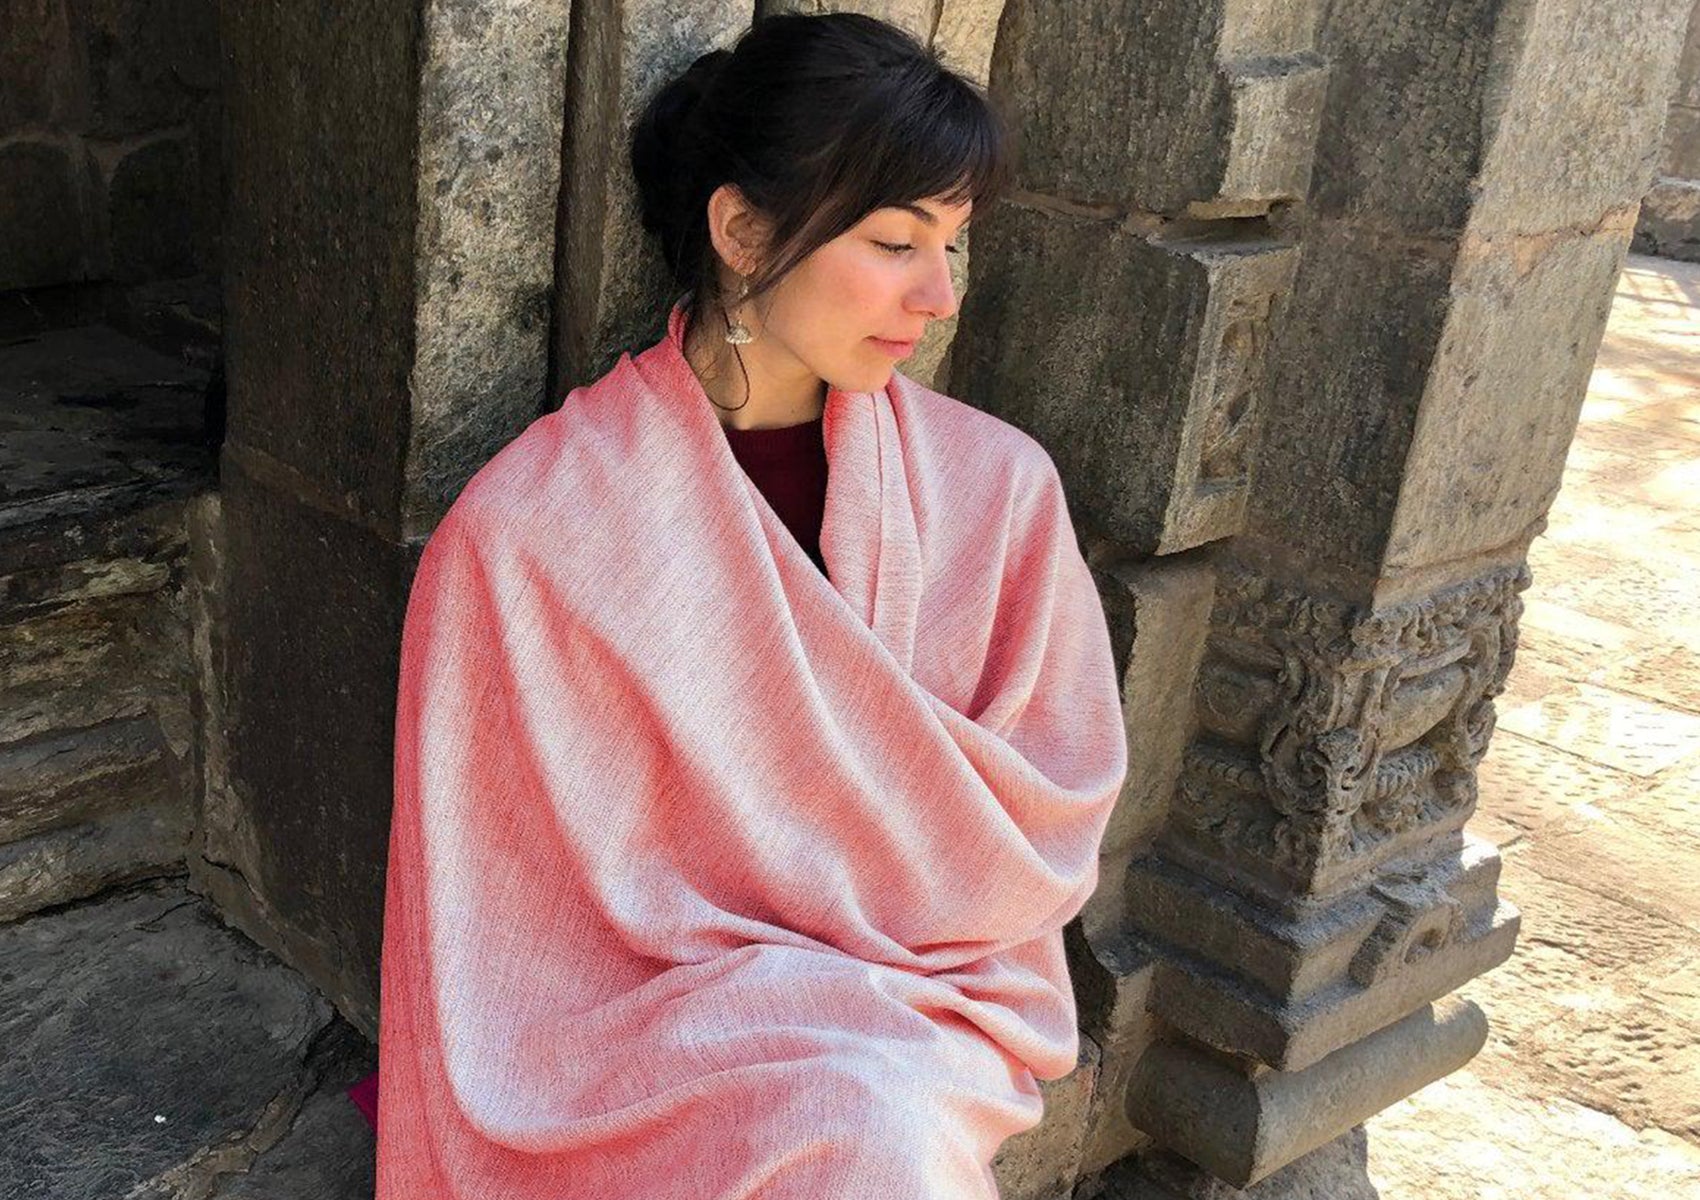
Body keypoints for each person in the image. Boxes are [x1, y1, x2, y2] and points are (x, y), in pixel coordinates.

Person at [367, 12, 1130, 1198]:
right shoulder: (530, 535)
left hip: (938, 1003)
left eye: (952, 246)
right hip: (639, 1030)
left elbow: (1045, 810)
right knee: (860, 1125)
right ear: (740, 230)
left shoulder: (997, 488)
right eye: (892, 241)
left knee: (870, 1117)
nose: (933, 294)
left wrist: (853, 971)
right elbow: (497, 923)